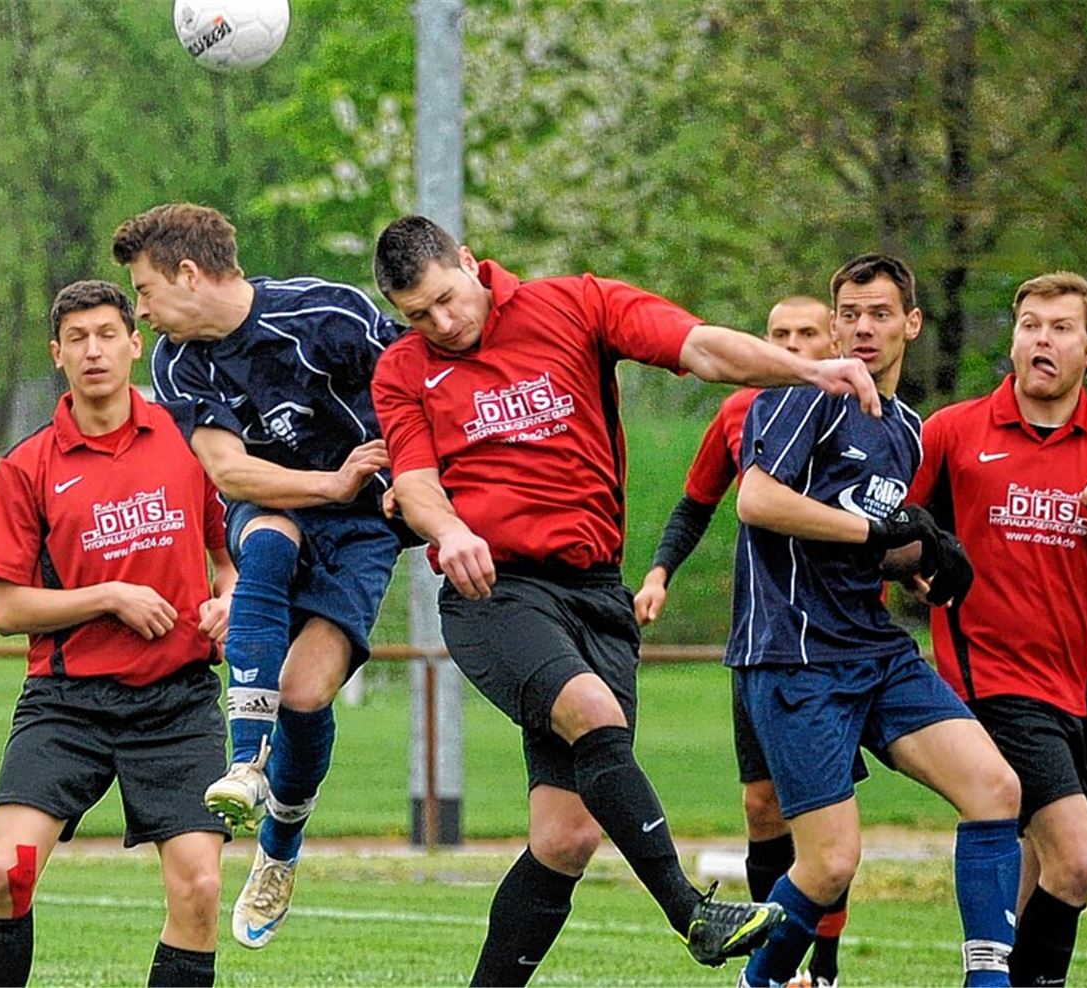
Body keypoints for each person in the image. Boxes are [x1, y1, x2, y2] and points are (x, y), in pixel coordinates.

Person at [369, 214, 882, 985]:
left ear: (470, 263)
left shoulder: (574, 305)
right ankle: (692, 913)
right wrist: (449, 528)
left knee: (565, 838)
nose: (442, 324)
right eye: (418, 315)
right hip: (495, 594)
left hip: (597, 598)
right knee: (592, 712)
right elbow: (413, 482)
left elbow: (701, 346)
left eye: (447, 300)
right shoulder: (404, 370)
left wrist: (808, 371)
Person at [112, 203, 411, 950]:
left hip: (366, 525)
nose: (141, 311)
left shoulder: (327, 313)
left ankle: (280, 846)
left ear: (188, 273)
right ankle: (246, 761)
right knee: (268, 544)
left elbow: (423, 387)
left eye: (145, 290)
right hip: (280, 503)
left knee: (306, 696)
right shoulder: (177, 361)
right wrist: (328, 483)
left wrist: (416, 482)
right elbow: (228, 472)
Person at [729, 254, 1022, 988]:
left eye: (881, 314)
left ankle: (988, 982)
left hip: (874, 648)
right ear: (833, 328)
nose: (863, 327)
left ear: (911, 325)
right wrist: (876, 533)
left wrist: (924, 554)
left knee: (995, 789)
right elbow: (757, 501)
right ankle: (758, 981)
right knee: (830, 862)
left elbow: (870, 533)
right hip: (796, 653)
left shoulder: (908, 428)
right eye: (850, 314)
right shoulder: (805, 395)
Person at [0, 280, 236, 987]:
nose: (93, 351)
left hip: (177, 703)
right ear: (57, 355)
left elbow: (230, 561)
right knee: (6, 873)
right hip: (67, 703)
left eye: (106, 334)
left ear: (135, 343)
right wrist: (109, 597)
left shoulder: (190, 441)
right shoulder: (26, 467)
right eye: (77, 339)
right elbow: (7, 610)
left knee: (199, 890)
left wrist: (231, 601)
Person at [906, 271, 1087, 987]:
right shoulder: (954, 431)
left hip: (1084, 697)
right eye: (1030, 324)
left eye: (1061, 328)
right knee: (1079, 861)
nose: (1042, 339)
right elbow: (891, 527)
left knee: (1039, 876)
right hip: (992, 685)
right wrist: (909, 568)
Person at [634, 296, 850, 988]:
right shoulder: (740, 412)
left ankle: (824, 970)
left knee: (825, 816)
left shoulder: (861, 415)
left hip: (840, 641)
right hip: (762, 638)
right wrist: (660, 573)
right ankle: (776, 963)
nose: (792, 345)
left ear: (835, 340)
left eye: (807, 333)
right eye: (779, 334)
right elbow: (695, 504)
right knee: (762, 805)